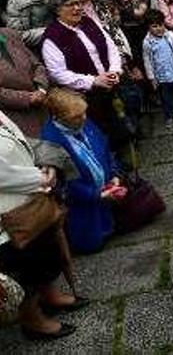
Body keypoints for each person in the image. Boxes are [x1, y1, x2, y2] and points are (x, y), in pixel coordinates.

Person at [1, 110, 84, 340]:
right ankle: (32, 320)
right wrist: (40, 178)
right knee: (25, 264)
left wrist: (45, 164)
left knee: (43, 250)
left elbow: (19, 141)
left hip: (30, 198)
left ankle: (49, 296)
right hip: (9, 215)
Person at [41, 0, 129, 149]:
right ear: (57, 10)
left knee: (121, 131)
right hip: (86, 99)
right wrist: (93, 81)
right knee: (101, 138)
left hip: (110, 87)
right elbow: (57, 74)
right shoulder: (52, 38)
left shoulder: (88, 21)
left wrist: (115, 70)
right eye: (70, 5)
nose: (77, 8)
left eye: (78, 3)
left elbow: (110, 45)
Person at [40, 88, 125, 254]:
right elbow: (66, 183)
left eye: (84, 113)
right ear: (60, 117)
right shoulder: (51, 141)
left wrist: (114, 174)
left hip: (105, 189)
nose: (84, 118)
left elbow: (105, 148)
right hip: (83, 207)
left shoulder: (82, 122)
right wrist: (96, 195)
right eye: (77, 117)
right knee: (94, 244)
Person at [142, 9, 173, 128]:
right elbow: (147, 61)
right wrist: (152, 78)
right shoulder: (147, 42)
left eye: (161, 25)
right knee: (166, 100)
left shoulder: (172, 36)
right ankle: (169, 116)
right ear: (148, 27)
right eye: (154, 26)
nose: (159, 28)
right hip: (162, 78)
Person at [0, 27, 48, 137]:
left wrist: (41, 89)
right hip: (16, 119)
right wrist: (28, 98)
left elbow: (37, 65)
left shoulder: (8, 33)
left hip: (44, 107)